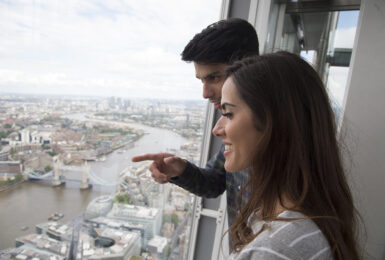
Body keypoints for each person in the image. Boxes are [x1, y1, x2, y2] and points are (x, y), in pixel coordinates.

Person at [212, 51, 360, 259]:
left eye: (228, 114)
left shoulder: (275, 249)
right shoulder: (310, 220)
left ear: (275, 123)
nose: (217, 129)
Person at [132, 18, 259, 227]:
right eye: (201, 80)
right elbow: (215, 182)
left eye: (214, 78)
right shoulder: (231, 123)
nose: (205, 93)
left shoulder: (290, 139)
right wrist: (181, 170)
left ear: (248, 68)